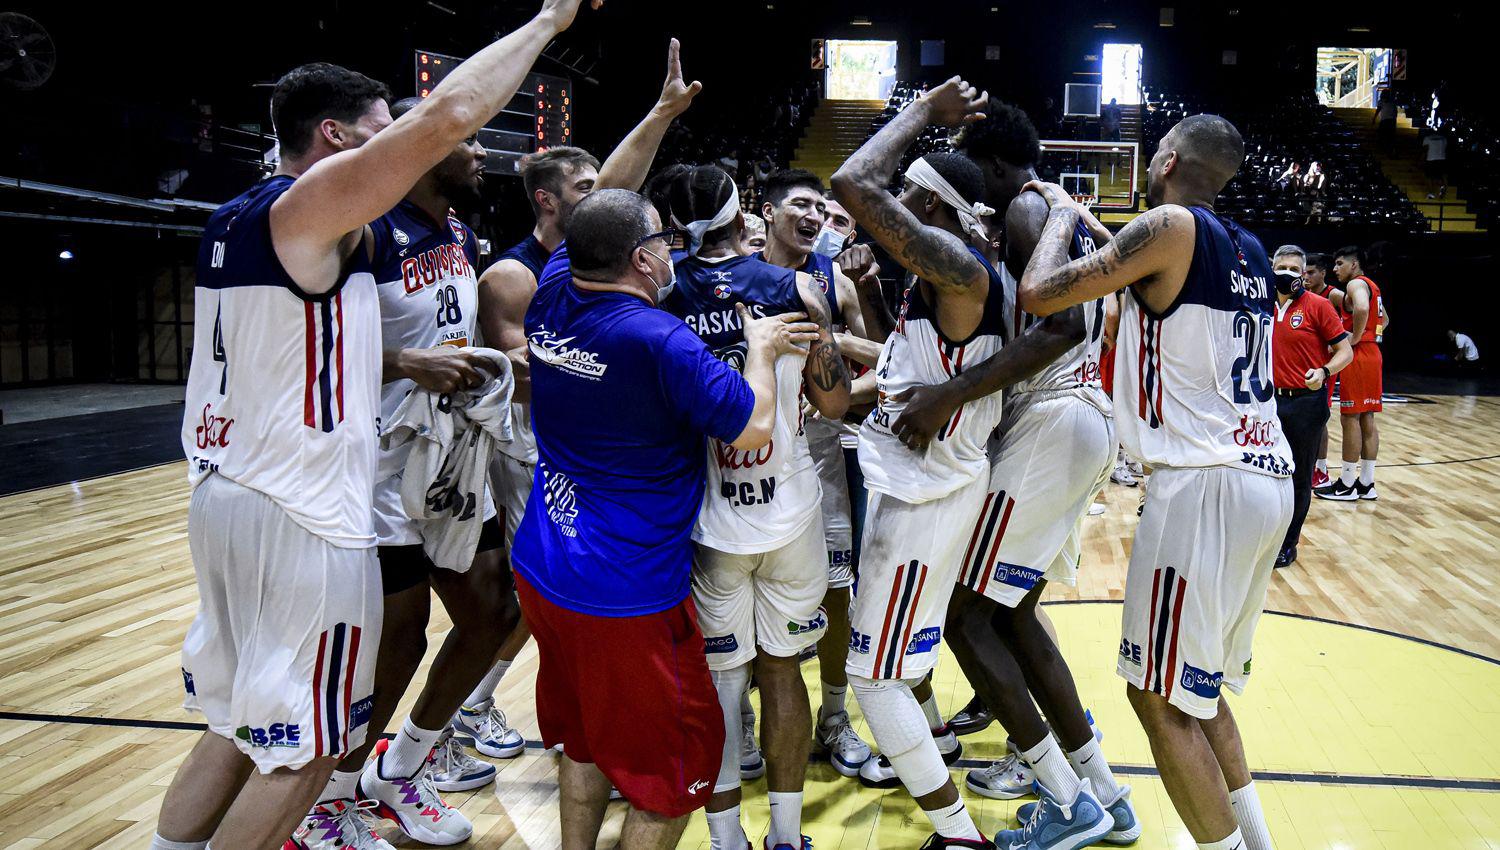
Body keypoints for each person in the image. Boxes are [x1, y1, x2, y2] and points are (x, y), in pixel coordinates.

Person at [150, 3, 598, 848]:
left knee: (234, 725)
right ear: (334, 138)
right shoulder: (305, 210)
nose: (405, 149)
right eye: (384, 132)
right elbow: (451, 115)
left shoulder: (232, 219)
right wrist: (548, 22)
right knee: (309, 753)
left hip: (227, 491)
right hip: (300, 510)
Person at [1018, 112, 1292, 850]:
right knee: (1196, 691)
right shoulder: (1252, 249)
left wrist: (1058, 216)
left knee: (1155, 694)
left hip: (1205, 485)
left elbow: (1040, 292)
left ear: (1166, 158)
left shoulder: (1168, 225)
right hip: (1266, 475)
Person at [513, 189, 817, 850]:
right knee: (673, 781)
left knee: (588, 743)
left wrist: (661, 112)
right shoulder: (659, 338)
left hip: (543, 565)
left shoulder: (552, 289)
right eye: (663, 239)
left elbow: (594, 218)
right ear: (643, 260)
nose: (673, 246)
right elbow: (752, 426)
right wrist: (760, 348)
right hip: (625, 593)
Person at [890, 98, 1137, 847]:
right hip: (1076, 417)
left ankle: (1068, 803)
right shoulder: (1048, 211)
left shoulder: (1030, 210)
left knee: (965, 617)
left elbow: (1058, 324)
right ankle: (1103, 790)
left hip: (1053, 416)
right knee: (1014, 612)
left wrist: (951, 395)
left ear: (994, 164)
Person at [289, 95, 523, 850]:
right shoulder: (364, 229)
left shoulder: (454, 225)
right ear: (427, 146)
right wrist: (400, 361)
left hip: (451, 454)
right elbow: (306, 343)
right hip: (376, 465)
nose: (482, 153)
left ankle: (402, 771)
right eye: (470, 140)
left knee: (495, 610)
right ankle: (330, 798)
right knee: (401, 636)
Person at [463, 38, 702, 757]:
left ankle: (564, 718)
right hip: (531, 441)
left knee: (559, 595)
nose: (602, 194)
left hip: (586, 437)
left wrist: (661, 114)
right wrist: (612, 364)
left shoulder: (581, 259)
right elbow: (517, 369)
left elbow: (620, 193)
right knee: (536, 589)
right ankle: (476, 705)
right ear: (550, 201)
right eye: (586, 188)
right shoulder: (516, 273)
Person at [830, 76, 1015, 850]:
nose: (889, 206)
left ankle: (957, 833)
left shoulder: (958, 265)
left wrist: (919, 114)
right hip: (924, 489)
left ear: (928, 205)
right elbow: (911, 374)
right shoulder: (944, 271)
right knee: (901, 663)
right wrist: (851, 389)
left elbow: (851, 181)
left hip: (925, 502)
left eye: (906, 197)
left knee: (873, 680)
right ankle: (934, 751)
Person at [659, 164, 850, 850]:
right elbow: (833, 402)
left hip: (708, 516)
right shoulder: (795, 287)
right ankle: (787, 837)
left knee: (719, 684)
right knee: (782, 670)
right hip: (790, 507)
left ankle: (723, 841)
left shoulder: (659, 295)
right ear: (746, 219)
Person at [753, 168, 876, 779]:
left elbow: (882, 374)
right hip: (742, 461)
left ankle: (833, 716)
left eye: (823, 211)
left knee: (836, 592)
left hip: (822, 454)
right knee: (745, 592)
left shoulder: (836, 285)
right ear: (768, 212)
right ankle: (749, 724)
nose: (815, 218)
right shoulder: (731, 277)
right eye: (802, 205)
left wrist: (833, 384)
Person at [1268, 245, 1351, 569]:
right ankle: (1262, 536)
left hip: (1305, 401)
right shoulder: (1260, 304)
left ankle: (1288, 544)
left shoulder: (1318, 306)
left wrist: (1325, 370)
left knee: (1298, 477)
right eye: (1281, 266)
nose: (1286, 272)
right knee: (1262, 473)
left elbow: (1345, 351)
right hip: (1267, 402)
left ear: (1303, 274)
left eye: (1293, 268)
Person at [1315, 245, 1387, 502]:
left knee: (1350, 419)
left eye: (1339, 264)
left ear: (1354, 264)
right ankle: (1366, 483)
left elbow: (1362, 309)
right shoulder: (1373, 286)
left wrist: (1355, 338)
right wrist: (1370, 336)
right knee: (1367, 418)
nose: (1335, 269)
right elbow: (1384, 320)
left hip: (1359, 356)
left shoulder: (1357, 285)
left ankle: (1346, 483)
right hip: (1373, 354)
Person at [1301, 253, 1337, 489]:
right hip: (1303, 364)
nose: (1306, 277)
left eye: (1312, 272)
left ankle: (1321, 469)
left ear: (1323, 273)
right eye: (1305, 272)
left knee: (1320, 419)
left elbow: (1375, 313)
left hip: (1323, 366)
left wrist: (1355, 339)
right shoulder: (1299, 296)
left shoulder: (1333, 295)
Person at [1421, 128, 1448, 199]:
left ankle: (1431, 193)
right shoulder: (1443, 138)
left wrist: (1422, 160)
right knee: (1441, 175)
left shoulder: (1427, 138)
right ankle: (1443, 186)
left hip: (1431, 159)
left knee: (1429, 177)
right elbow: (1445, 148)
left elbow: (1425, 150)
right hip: (1442, 159)